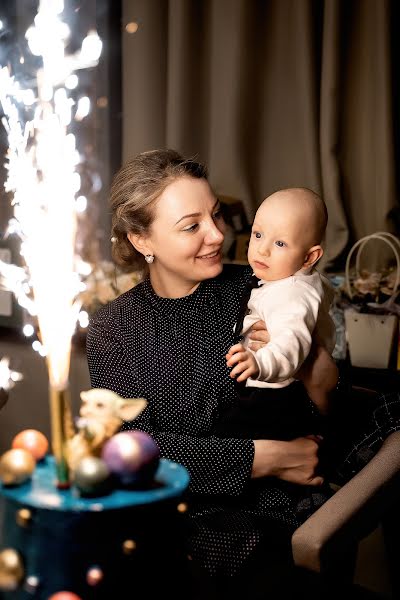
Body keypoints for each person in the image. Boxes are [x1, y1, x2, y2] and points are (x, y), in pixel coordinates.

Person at [86, 149, 398, 598]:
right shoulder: (113, 330)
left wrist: (313, 365)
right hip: (173, 523)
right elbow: (134, 454)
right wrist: (265, 457)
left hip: (278, 514)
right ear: (142, 240)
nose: (217, 235)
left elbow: (333, 408)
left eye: (215, 215)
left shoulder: (263, 286)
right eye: (191, 226)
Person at [215, 188, 335, 444]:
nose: (262, 250)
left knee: (232, 433)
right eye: (258, 235)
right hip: (276, 389)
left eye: (280, 243)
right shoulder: (287, 280)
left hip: (277, 395)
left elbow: (290, 346)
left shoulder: (292, 294)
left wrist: (260, 364)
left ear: (309, 257)